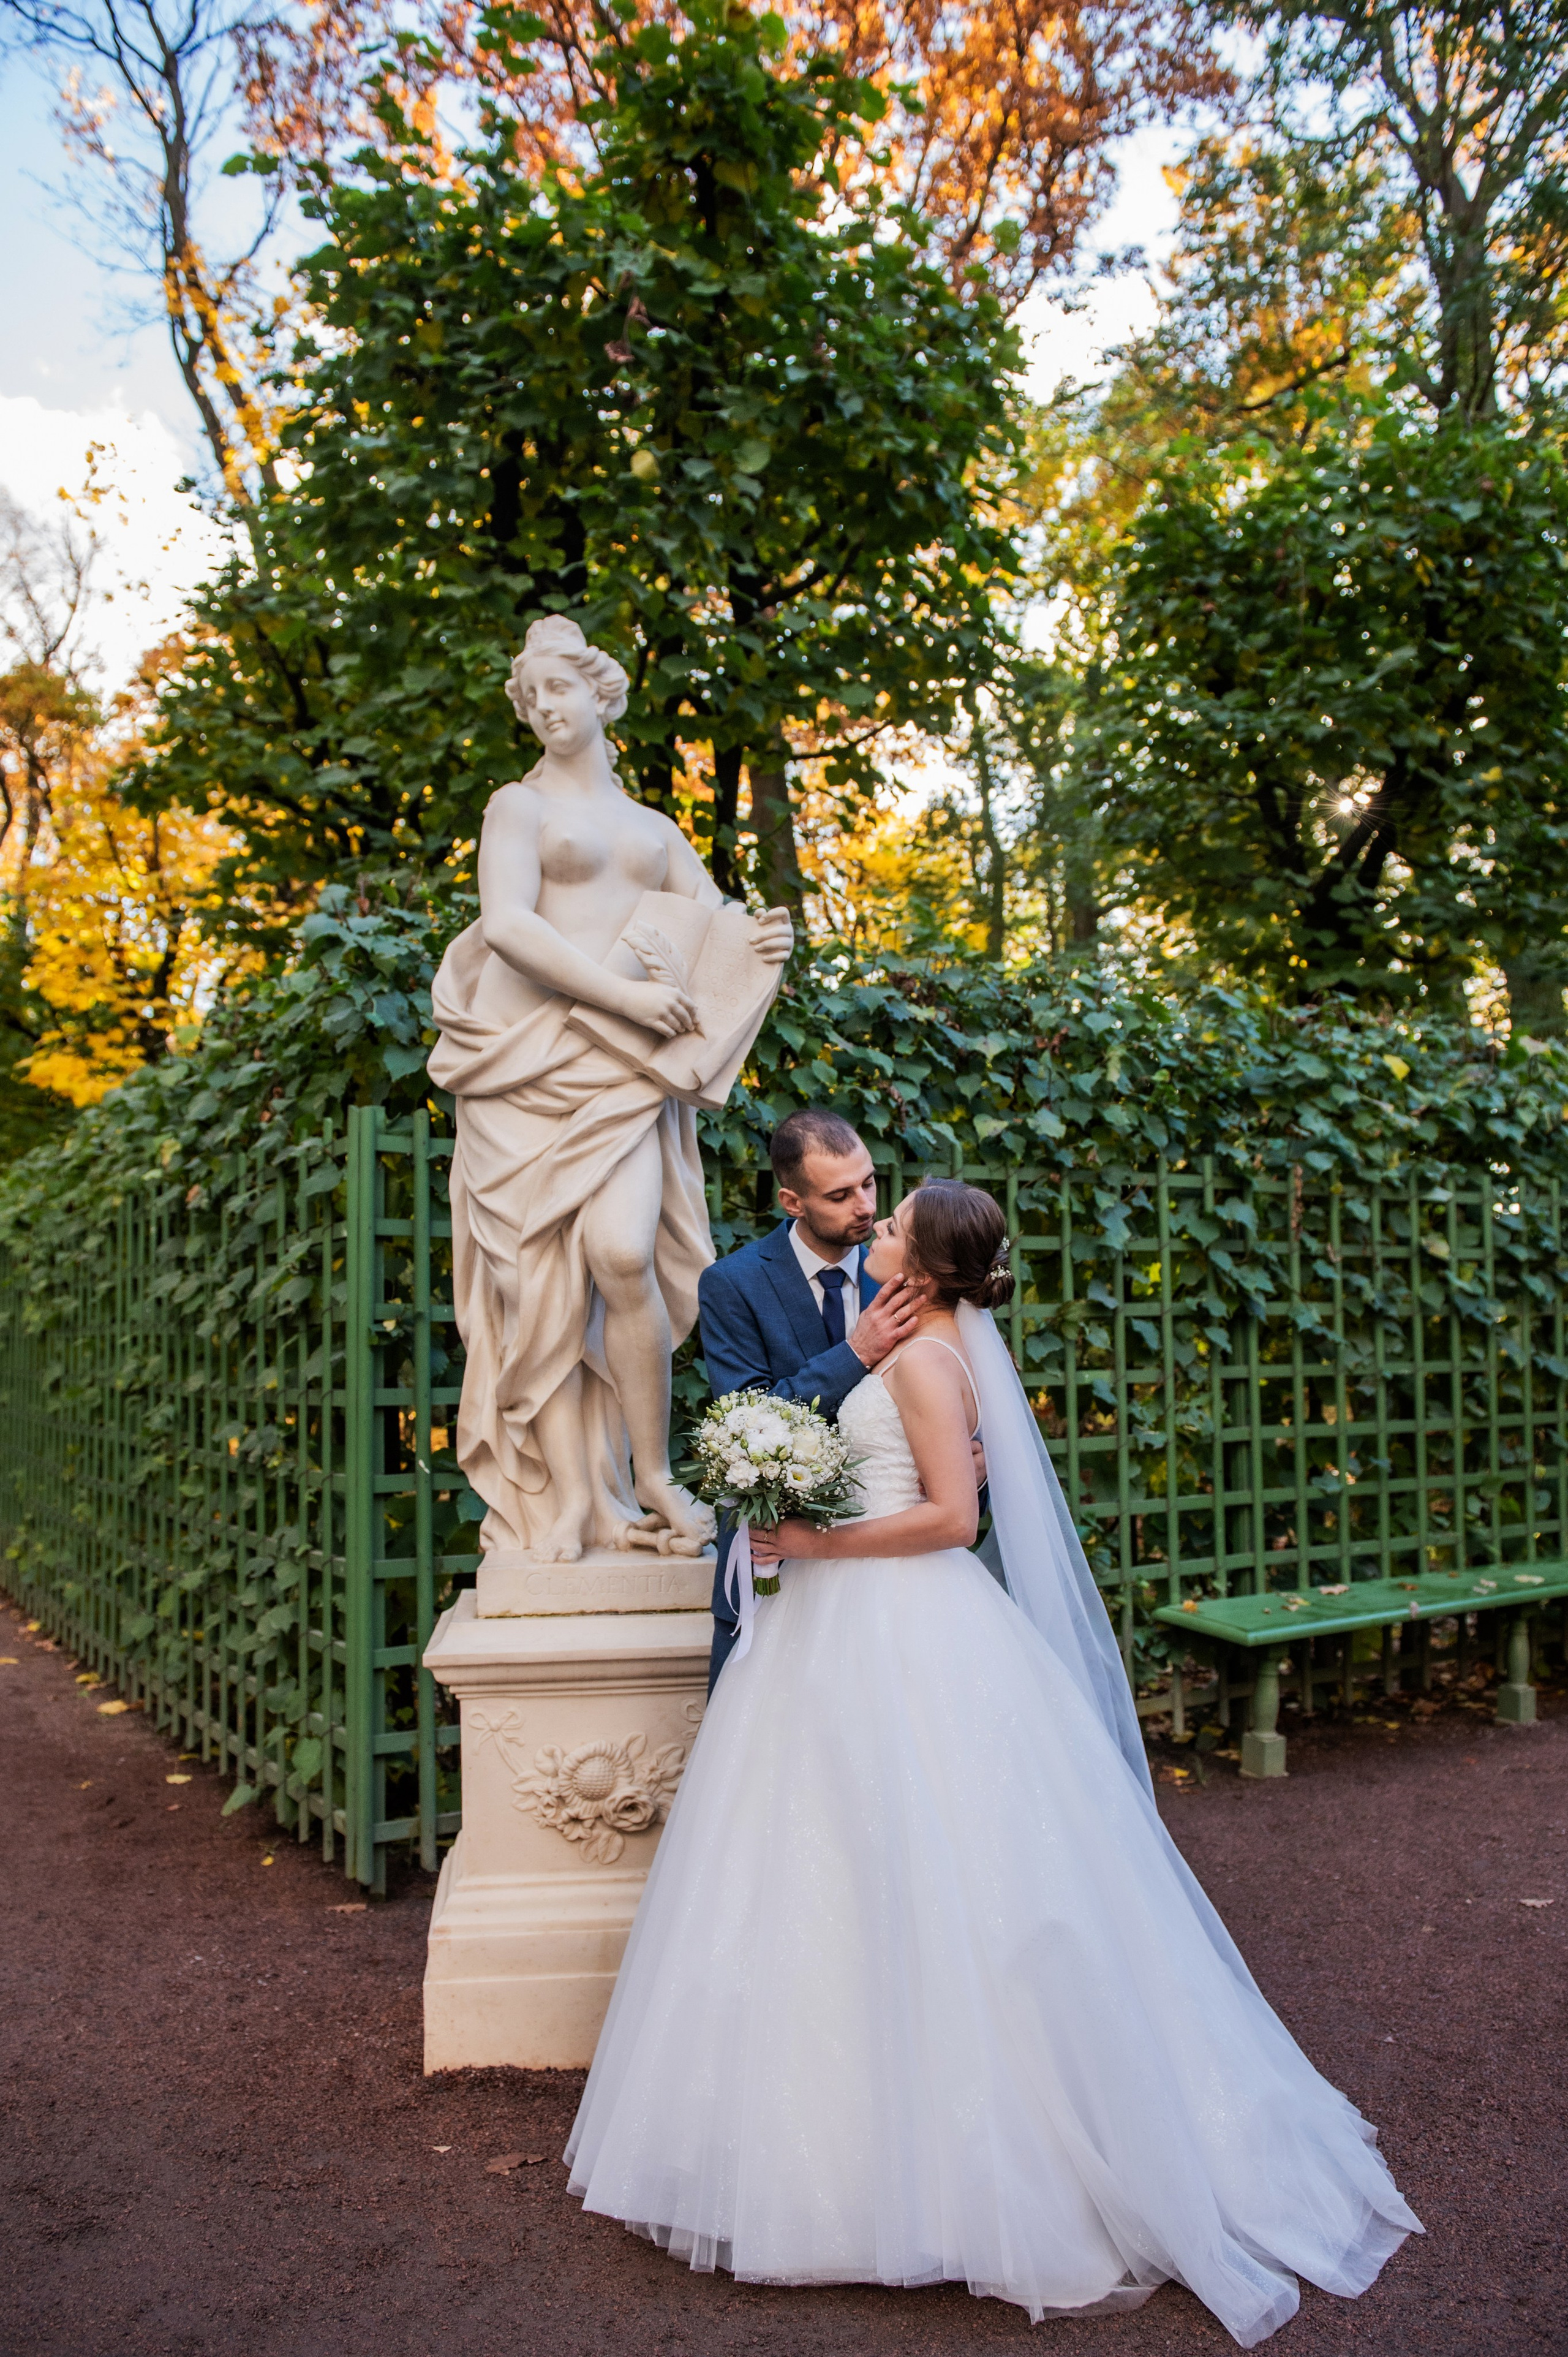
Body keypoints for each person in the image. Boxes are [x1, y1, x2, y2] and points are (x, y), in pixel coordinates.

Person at [566, 1177, 1420, 2347]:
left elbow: (954, 1518)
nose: (873, 1228)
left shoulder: (922, 1357)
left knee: (930, 1869)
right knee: (831, 1874)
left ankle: (963, 2172)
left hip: (898, 1619)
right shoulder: (921, 1337)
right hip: (843, 1629)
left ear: (919, 1262)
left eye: (892, 1222)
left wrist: (814, 1536)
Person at [428, 615, 791, 1564]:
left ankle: (651, 1476)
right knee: (535, 1283)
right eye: (532, 695)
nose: (546, 706)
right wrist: (625, 995)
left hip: (622, 1072)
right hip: (524, 1062)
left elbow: (715, 928)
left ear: (602, 694)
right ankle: (564, 1507)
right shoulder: (519, 807)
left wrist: (762, 940)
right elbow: (507, 924)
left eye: (561, 688)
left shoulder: (655, 829)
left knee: (622, 1254)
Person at [696, 1107, 922, 1689]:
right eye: (841, 1194)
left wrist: (973, 1468)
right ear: (792, 1201)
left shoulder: (907, 1275)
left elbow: (946, 1407)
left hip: (890, 1577)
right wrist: (857, 1351)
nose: (867, 1207)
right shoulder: (733, 1284)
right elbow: (746, 1420)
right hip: (779, 1563)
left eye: (869, 1182)